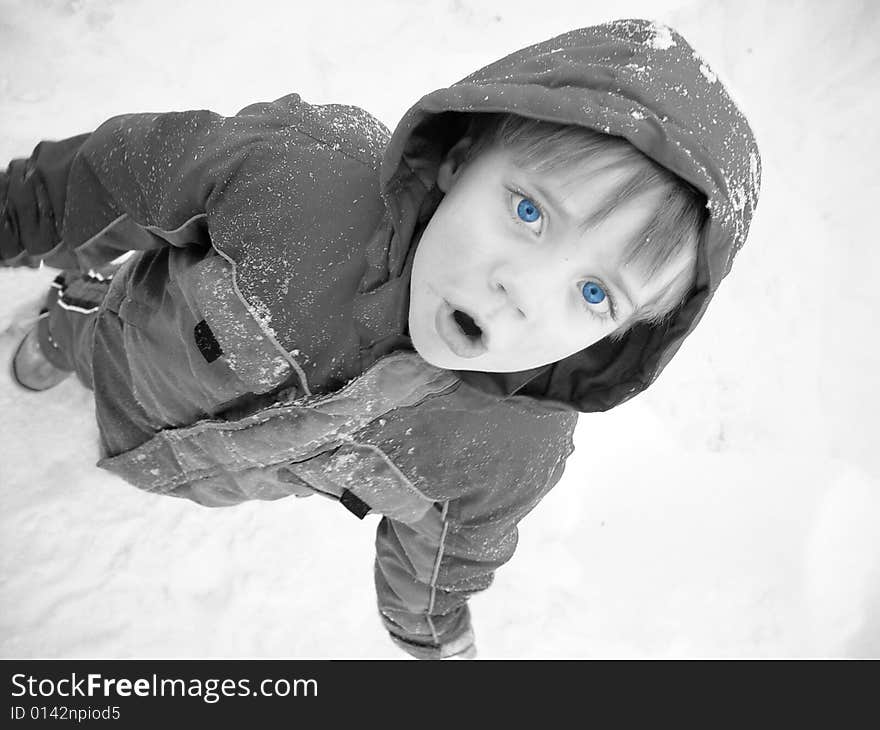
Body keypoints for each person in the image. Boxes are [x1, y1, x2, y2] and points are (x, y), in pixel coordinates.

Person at [0, 19, 761, 659]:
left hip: (219, 476)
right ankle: (64, 320)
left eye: (595, 294)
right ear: (460, 162)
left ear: (623, 336)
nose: (521, 293)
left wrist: (432, 640)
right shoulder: (296, 183)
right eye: (529, 211)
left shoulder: (507, 457)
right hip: (131, 347)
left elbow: (443, 560)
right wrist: (16, 222)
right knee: (85, 342)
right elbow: (109, 183)